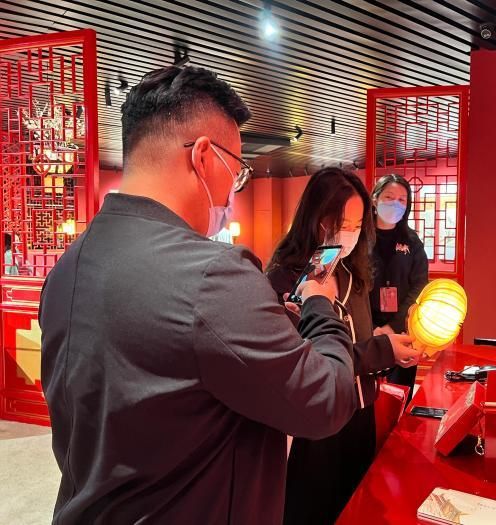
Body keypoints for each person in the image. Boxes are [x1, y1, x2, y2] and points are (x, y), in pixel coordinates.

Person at [39, 66, 359, 525]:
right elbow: (327, 401)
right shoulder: (213, 274)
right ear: (204, 157)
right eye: (238, 171)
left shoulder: (68, 266)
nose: (233, 190)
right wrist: (320, 306)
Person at [266, 168, 422, 525]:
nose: (348, 233)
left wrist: (388, 348)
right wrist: (382, 350)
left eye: (356, 225)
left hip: (359, 412)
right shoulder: (284, 278)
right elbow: (308, 364)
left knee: (357, 505)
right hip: (313, 427)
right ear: (316, 218)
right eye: (340, 223)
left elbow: (358, 343)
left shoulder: (353, 273)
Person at [370, 174, 429, 402]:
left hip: (402, 329)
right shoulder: (361, 239)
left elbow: (419, 287)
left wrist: (393, 326)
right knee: (368, 396)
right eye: (389, 197)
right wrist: (373, 328)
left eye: (402, 199)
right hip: (367, 331)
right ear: (375, 199)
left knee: (398, 396)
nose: (396, 203)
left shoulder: (412, 241)